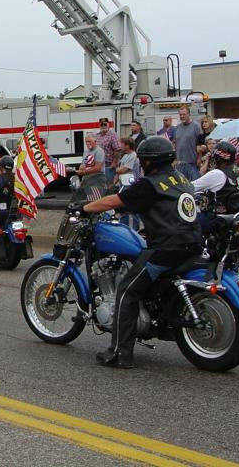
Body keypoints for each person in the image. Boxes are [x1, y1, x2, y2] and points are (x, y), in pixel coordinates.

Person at [81, 136, 202, 368]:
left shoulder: (149, 184)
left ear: (148, 162)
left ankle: (120, 353)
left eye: (143, 160)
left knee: (126, 291)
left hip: (167, 248)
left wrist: (85, 207)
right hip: (193, 243)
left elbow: (113, 201)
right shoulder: (181, 178)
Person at [114, 138, 141, 229]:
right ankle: (123, 225)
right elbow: (119, 169)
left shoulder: (133, 155)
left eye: (122, 144)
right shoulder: (125, 156)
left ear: (127, 145)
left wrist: (117, 170)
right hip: (122, 184)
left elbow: (124, 169)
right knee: (122, 206)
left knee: (131, 206)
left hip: (130, 184)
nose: (120, 146)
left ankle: (134, 227)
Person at [174, 106, 203, 181]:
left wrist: (199, 158)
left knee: (194, 184)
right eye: (180, 115)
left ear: (189, 114)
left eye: (184, 114)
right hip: (180, 163)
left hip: (192, 163)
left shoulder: (196, 126)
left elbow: (200, 144)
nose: (182, 116)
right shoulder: (177, 128)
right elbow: (175, 144)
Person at [94, 117, 120, 183]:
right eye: (101, 124)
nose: (103, 126)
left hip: (109, 165)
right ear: (99, 125)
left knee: (109, 184)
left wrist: (114, 163)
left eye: (105, 124)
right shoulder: (97, 136)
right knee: (100, 184)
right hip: (99, 166)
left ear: (108, 125)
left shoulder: (112, 135)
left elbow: (117, 150)